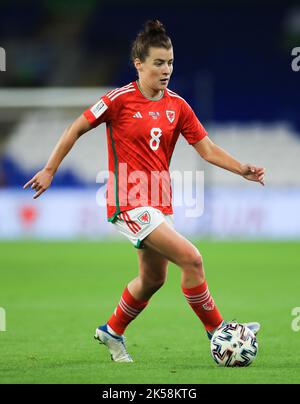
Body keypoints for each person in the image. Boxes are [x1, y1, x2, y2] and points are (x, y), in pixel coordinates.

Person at [24, 20, 265, 363]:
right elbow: (76, 127)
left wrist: (242, 168)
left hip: (158, 201)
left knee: (153, 278)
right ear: (139, 63)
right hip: (129, 201)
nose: (166, 70)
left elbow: (207, 149)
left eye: (169, 62)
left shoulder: (177, 106)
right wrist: (50, 169)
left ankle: (111, 331)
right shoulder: (118, 100)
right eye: (158, 62)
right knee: (192, 259)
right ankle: (220, 333)